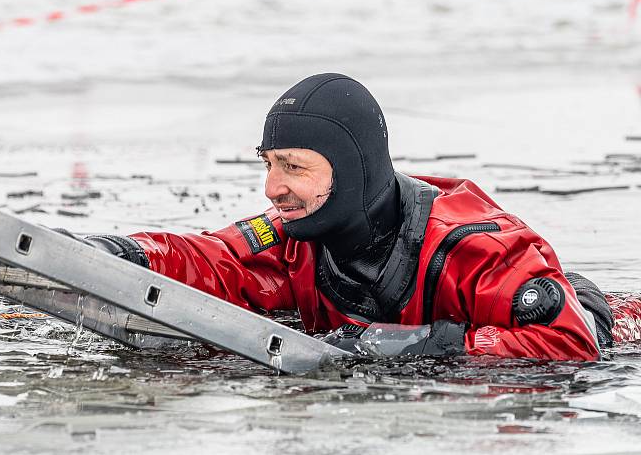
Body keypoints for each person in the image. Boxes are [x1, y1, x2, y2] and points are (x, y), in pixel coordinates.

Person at [81, 73, 617, 361]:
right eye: (268, 165)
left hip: (601, 321)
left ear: (352, 169)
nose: (272, 187)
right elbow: (217, 260)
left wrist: (406, 346)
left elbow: (572, 343)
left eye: (293, 167)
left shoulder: (473, 247)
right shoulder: (299, 237)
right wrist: (122, 254)